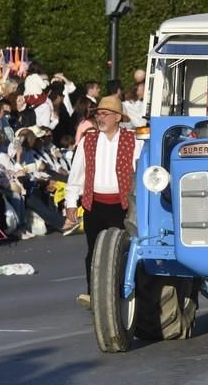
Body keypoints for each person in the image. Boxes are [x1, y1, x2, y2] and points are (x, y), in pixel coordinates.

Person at [65, 95, 143, 309]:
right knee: (94, 252)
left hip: (122, 206)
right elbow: (77, 173)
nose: (100, 118)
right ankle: (94, 295)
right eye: (98, 114)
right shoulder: (88, 141)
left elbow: (141, 171)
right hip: (95, 204)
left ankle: (121, 292)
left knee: (122, 252)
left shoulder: (132, 140)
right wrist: (71, 202)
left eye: (105, 114)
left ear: (118, 118)